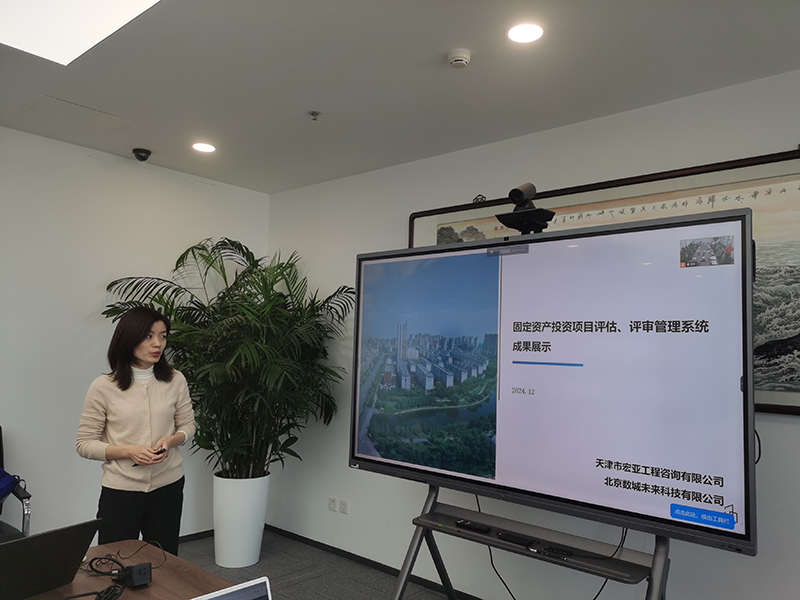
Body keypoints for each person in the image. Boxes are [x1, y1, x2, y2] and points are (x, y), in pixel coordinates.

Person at [76, 306, 195, 555]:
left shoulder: (176, 380)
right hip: (121, 490)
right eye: (149, 336)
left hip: (169, 486)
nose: (158, 344)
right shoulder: (103, 387)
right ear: (128, 339)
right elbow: (85, 444)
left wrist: (171, 440)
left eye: (163, 336)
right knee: (113, 561)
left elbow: (188, 426)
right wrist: (129, 451)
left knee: (165, 560)